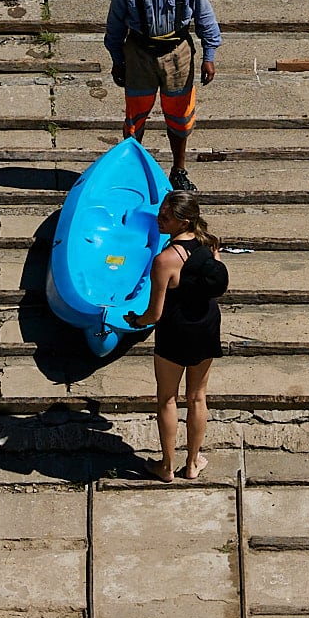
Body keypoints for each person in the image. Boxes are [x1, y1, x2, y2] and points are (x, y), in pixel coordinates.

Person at [103, 0, 221, 190]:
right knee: (135, 117)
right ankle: (131, 172)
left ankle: (178, 170)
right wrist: (117, 59)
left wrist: (209, 54)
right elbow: (116, 19)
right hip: (139, 52)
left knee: (180, 116)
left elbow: (205, 15)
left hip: (177, 52)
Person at [131, 191, 228, 481]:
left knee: (167, 399)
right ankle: (193, 463)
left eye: (165, 216)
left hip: (175, 331)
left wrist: (135, 321)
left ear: (183, 220)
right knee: (198, 397)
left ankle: (166, 466)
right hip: (206, 325)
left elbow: (155, 314)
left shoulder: (165, 260)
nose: (159, 218)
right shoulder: (210, 244)